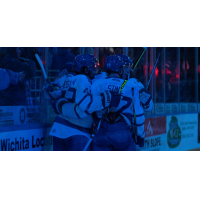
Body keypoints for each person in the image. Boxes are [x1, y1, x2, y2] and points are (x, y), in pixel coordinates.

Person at [44, 55, 115, 151]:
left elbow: (47, 93)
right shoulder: (83, 79)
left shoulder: (65, 78)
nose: (94, 70)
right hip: (78, 131)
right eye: (92, 67)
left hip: (59, 128)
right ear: (85, 70)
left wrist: (53, 91)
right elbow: (84, 104)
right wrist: (102, 101)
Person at [91, 55, 146, 151]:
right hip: (123, 132)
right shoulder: (132, 85)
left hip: (102, 130)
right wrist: (140, 135)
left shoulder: (97, 83)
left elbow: (91, 108)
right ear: (121, 70)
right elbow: (138, 115)